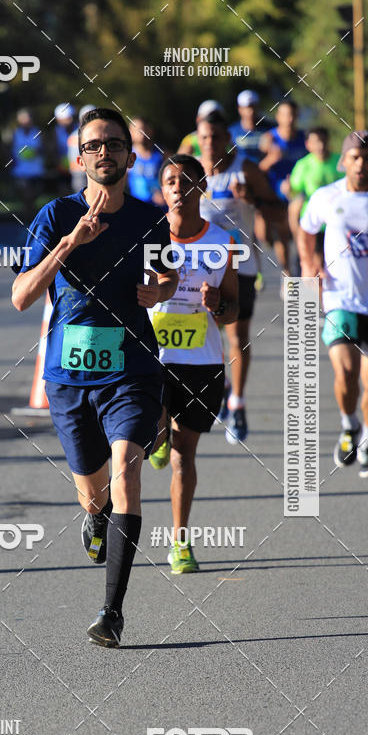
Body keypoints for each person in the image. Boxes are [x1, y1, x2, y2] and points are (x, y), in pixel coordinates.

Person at [12, 108, 178, 647]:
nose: (104, 151)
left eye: (114, 142)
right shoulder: (55, 215)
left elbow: (167, 272)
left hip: (131, 367)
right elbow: (20, 297)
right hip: (68, 374)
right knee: (93, 492)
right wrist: (70, 245)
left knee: (127, 470)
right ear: (79, 157)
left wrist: (163, 290)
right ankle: (96, 514)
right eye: (94, 144)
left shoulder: (150, 218)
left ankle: (112, 613)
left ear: (130, 155)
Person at [148, 155, 238, 573]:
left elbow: (233, 311)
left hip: (202, 362)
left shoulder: (221, 242)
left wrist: (218, 304)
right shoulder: (148, 239)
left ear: (203, 187)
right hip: (153, 359)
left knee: (185, 456)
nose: (179, 188)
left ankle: (180, 543)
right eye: (171, 181)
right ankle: (157, 432)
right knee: (156, 434)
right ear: (161, 190)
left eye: (188, 181)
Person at [298, 130, 368, 476]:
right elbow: (306, 229)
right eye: (355, 157)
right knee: (347, 372)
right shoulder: (326, 197)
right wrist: (310, 263)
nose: (361, 164)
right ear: (344, 160)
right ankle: (349, 424)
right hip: (340, 299)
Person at [197, 111, 281, 442]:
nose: (209, 144)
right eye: (204, 138)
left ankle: (238, 403)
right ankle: (225, 385)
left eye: (216, 137)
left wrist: (253, 200)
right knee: (206, 335)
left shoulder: (244, 170)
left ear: (227, 139)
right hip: (201, 269)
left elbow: (277, 211)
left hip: (241, 266)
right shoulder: (191, 173)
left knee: (237, 336)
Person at [258, 99, 307, 276]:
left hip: (299, 192)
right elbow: (259, 169)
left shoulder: (305, 138)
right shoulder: (269, 139)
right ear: (278, 117)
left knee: (294, 233)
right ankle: (287, 271)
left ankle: (300, 268)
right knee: (273, 238)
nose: (290, 118)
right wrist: (271, 158)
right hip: (274, 193)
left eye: (293, 114)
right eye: (285, 114)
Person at [288, 127, 340, 250]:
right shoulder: (303, 165)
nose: (321, 145)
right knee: (313, 264)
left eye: (323, 141)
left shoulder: (341, 161)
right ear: (308, 145)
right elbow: (294, 193)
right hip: (313, 224)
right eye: (316, 142)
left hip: (337, 222)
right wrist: (288, 189)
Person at [11, 108, 45, 221]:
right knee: (26, 195)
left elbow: (44, 149)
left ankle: (32, 217)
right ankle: (27, 218)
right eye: (22, 119)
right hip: (21, 171)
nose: (25, 122)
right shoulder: (16, 133)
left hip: (36, 170)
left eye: (27, 119)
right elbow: (11, 150)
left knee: (34, 196)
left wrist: (36, 151)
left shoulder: (38, 132)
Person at [128, 117, 164, 206]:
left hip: (159, 207)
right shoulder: (126, 156)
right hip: (136, 206)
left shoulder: (162, 154)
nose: (141, 133)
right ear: (130, 133)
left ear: (151, 130)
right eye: (137, 130)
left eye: (144, 129)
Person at [228, 90, 271, 165]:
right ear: (240, 109)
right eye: (247, 107)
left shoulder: (271, 129)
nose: (251, 111)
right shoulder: (231, 131)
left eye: (254, 107)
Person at [67, 104, 96, 193]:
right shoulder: (74, 137)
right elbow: (74, 162)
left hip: (95, 174)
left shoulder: (102, 135)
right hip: (80, 175)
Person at [53, 103, 76, 194]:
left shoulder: (80, 129)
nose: (67, 121)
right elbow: (54, 150)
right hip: (62, 169)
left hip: (78, 170)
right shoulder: (56, 132)